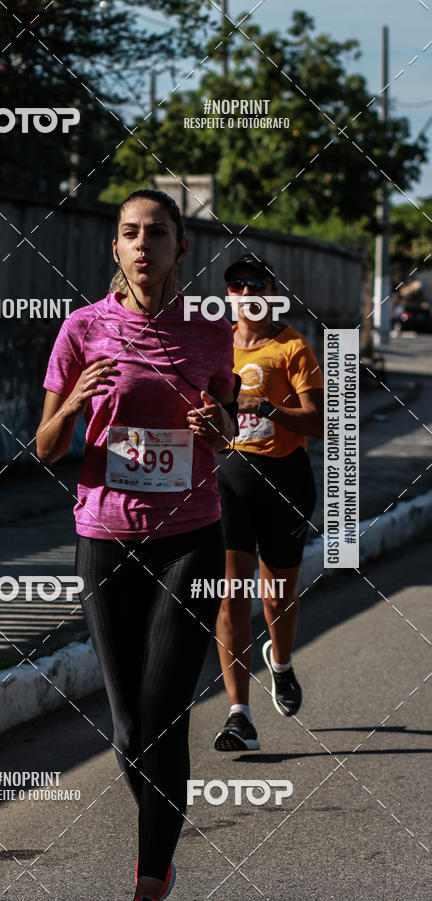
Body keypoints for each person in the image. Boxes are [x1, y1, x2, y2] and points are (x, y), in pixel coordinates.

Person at [36, 189, 239, 901]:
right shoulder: (83, 328)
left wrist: (219, 427)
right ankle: (165, 840)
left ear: (183, 247)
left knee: (164, 713)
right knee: (127, 728)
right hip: (104, 538)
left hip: (191, 537)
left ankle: (149, 881)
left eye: (157, 232)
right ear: (115, 248)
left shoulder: (212, 331)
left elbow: (229, 428)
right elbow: (44, 446)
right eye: (130, 232)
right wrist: (71, 401)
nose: (143, 243)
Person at [210, 253, 324, 753]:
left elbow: (319, 423)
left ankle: (280, 664)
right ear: (228, 295)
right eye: (238, 285)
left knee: (277, 594)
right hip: (230, 478)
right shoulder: (215, 347)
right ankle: (239, 716)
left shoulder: (293, 347)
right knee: (231, 593)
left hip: (286, 480)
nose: (248, 292)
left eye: (258, 284)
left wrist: (272, 409)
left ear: (272, 291)